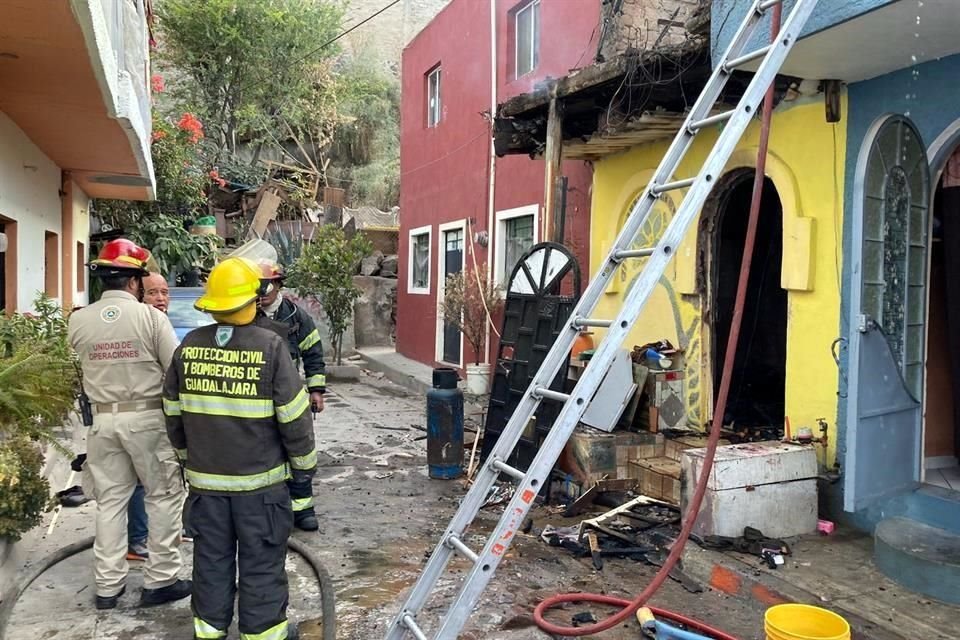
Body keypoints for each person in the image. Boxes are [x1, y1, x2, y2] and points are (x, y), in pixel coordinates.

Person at [164, 257, 316, 640]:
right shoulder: (271, 346)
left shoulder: (188, 347)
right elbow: (295, 418)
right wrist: (303, 472)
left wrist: (188, 461)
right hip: (259, 492)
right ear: (254, 298)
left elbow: (173, 414)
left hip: (206, 490)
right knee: (262, 564)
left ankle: (210, 632)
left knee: (210, 562)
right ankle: (262, 634)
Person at [68, 239, 190, 610]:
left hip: (102, 422)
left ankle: (107, 588)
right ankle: (160, 580)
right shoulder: (152, 318)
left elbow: (75, 371)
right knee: (164, 495)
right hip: (148, 419)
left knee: (109, 502)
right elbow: (176, 371)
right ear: (136, 282)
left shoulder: (78, 320)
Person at [256, 260, 325, 532]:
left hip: (290, 392)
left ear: (278, 284)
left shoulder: (296, 316)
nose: (261, 293)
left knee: (299, 450)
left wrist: (316, 390)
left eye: (266, 286)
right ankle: (270, 508)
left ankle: (303, 508)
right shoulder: (246, 314)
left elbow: (313, 353)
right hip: (257, 395)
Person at [127, 271, 172, 561]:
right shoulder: (142, 323)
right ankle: (138, 540)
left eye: (164, 292)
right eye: (153, 292)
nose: (160, 299)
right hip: (141, 413)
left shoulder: (161, 323)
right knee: (141, 482)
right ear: (138, 294)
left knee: (163, 479)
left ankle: (162, 533)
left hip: (160, 411)